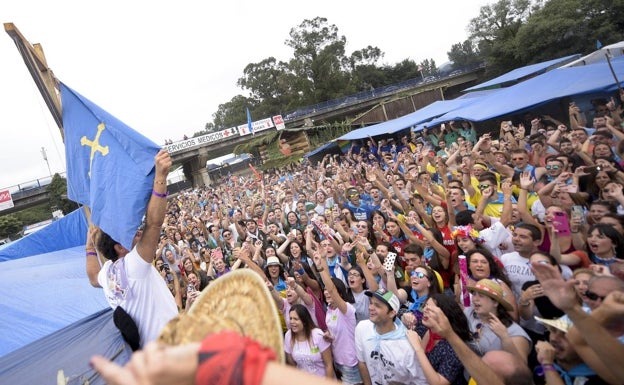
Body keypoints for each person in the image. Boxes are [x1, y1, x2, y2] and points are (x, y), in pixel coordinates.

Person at [85, 150, 178, 350]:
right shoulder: (134, 264)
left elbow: (93, 277)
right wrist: (160, 177)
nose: (136, 233)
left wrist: (89, 247)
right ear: (120, 247)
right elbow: (153, 224)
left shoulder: (108, 273)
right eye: (130, 233)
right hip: (172, 350)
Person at [355, 288, 426, 385]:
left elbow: (421, 381)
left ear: (392, 313)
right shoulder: (361, 328)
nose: (370, 307)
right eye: (371, 303)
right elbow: (362, 362)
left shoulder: (408, 345)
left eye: (377, 305)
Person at [313, 250, 362, 384]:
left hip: (350, 363)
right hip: (337, 360)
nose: (327, 293)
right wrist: (330, 336)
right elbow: (336, 331)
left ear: (339, 292)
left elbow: (331, 288)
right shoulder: (329, 309)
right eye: (325, 290)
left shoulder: (346, 309)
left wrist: (320, 268)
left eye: (330, 291)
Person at [407, 294, 472, 385]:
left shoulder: (454, 346)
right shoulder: (429, 329)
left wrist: (418, 348)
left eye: (431, 310)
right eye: (425, 306)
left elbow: (438, 383)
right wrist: (407, 318)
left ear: (445, 315)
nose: (425, 310)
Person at [464, 279, 531, 363]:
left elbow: (522, 367)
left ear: (495, 302)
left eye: (481, 295)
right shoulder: (469, 313)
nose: (475, 299)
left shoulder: (514, 331)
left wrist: (505, 338)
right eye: (474, 294)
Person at [284, 304, 334, 378]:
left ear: (304, 321)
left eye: (295, 319)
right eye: (290, 318)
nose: (292, 322)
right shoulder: (288, 335)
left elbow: (329, 364)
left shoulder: (318, 335)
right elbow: (292, 364)